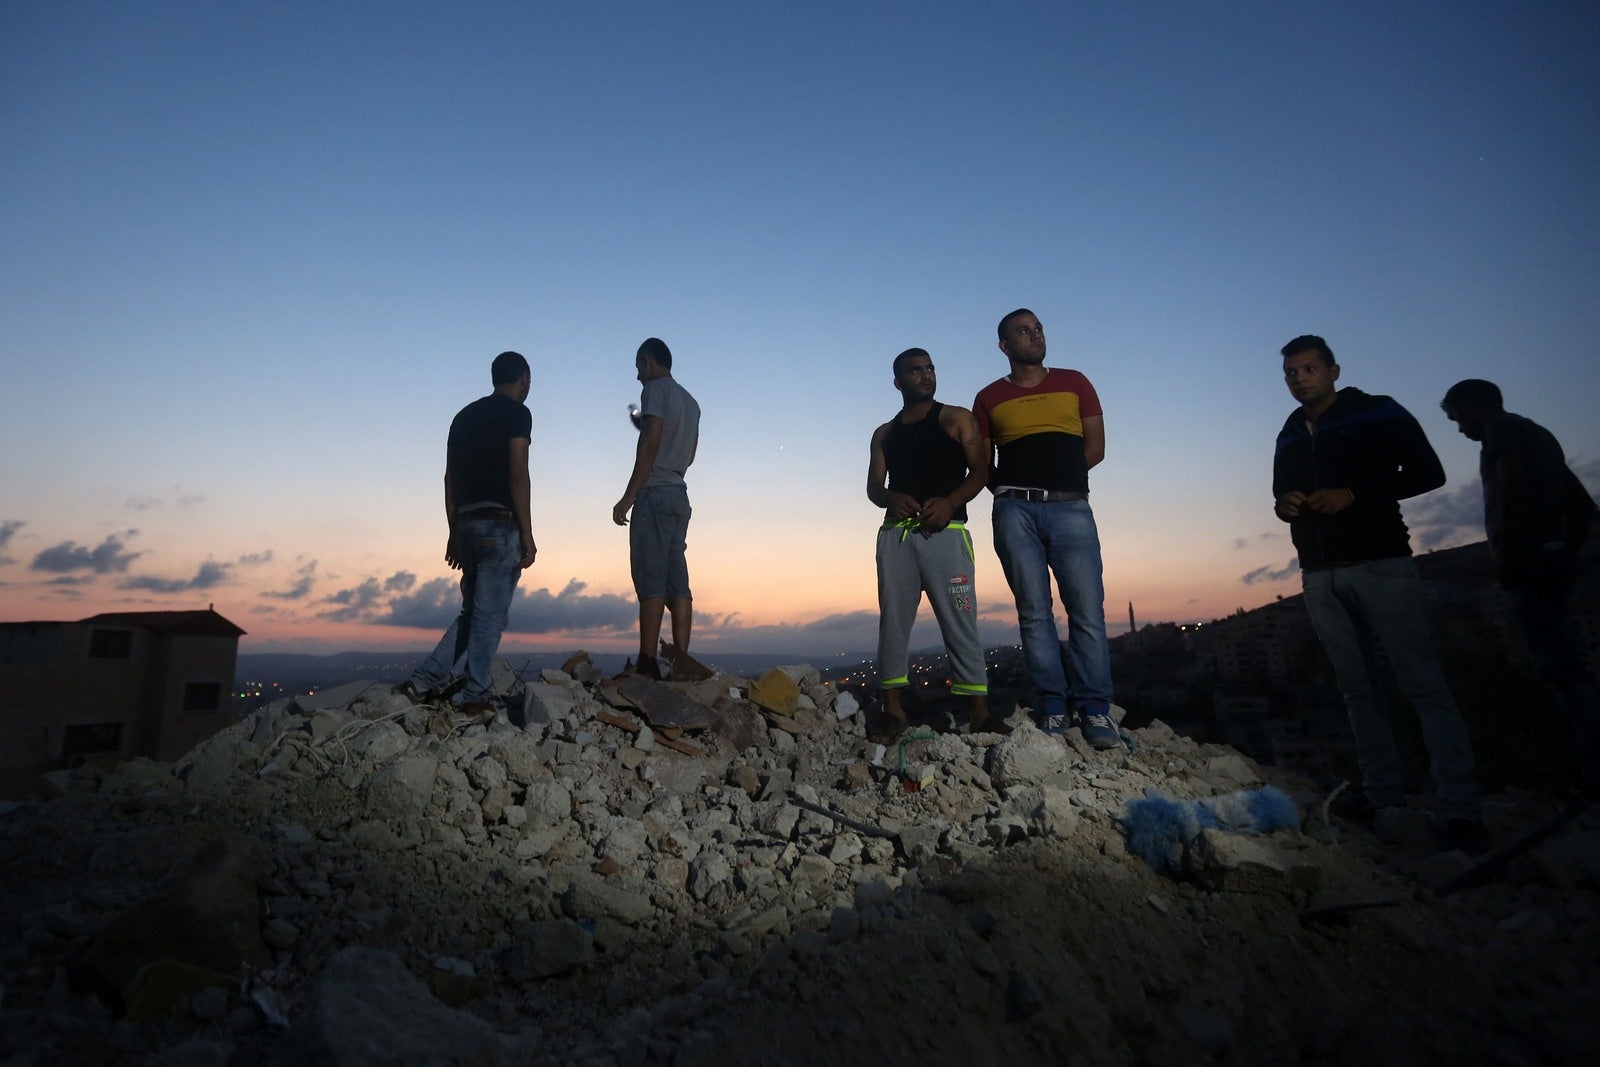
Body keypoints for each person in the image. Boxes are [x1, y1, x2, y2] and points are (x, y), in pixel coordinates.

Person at [1273, 335, 1488, 853]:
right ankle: (1382, 793)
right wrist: (1286, 504)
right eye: (1291, 372)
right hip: (1320, 573)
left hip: (1381, 564)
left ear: (1333, 370)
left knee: (1422, 685)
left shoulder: (1377, 412)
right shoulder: (1289, 430)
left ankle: (1460, 808)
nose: (1300, 378)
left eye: (1309, 369)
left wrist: (1354, 493)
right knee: (1357, 689)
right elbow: (1280, 495)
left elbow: (1428, 473)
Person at [1441, 378, 1600, 792]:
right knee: (1568, 664)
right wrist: (1564, 552)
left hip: (1530, 566)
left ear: (1474, 406)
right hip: (1549, 562)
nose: (1460, 429)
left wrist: (1512, 556)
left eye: (1458, 418)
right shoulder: (1538, 434)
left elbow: (1511, 488)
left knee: (1559, 667)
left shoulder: (1503, 433)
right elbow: (1582, 506)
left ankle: (1593, 768)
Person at [973, 309, 1119, 749]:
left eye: (1038, 328)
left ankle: (1095, 709)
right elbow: (982, 463)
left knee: (1086, 609)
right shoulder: (988, 398)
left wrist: (1060, 483)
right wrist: (1012, 492)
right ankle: (1053, 706)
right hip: (1014, 510)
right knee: (1034, 613)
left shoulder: (1076, 382)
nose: (1034, 335)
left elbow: (1094, 449)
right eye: (1023, 331)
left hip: (1071, 508)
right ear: (1004, 346)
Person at [397, 350, 538, 717]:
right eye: (529, 381)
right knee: (489, 616)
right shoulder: (518, 414)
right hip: (499, 524)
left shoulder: (462, 417)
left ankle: (422, 681)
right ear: (523, 378)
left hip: (466, 524)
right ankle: (473, 693)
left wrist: (453, 531)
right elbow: (518, 473)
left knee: (473, 613)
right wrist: (527, 533)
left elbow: (449, 478)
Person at [867, 348, 990, 737]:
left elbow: (982, 470)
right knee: (894, 621)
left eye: (929, 368)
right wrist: (889, 498)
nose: (925, 375)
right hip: (896, 536)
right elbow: (873, 487)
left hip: (947, 534)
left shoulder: (956, 418)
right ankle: (893, 711)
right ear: (898, 382)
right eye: (914, 370)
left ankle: (980, 712)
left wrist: (951, 502)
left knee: (960, 618)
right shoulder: (884, 433)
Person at [613, 337, 701, 679]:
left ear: (649, 361)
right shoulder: (691, 403)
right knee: (677, 581)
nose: (637, 377)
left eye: (638, 367)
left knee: (650, 579)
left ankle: (647, 662)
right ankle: (681, 662)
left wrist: (629, 495)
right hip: (679, 495)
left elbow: (650, 444)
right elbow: (687, 449)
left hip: (655, 494)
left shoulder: (655, 390)